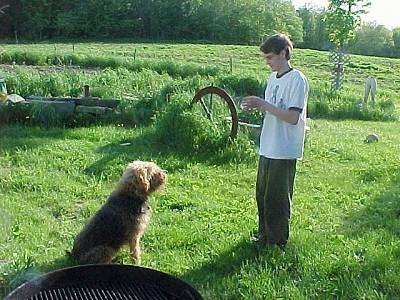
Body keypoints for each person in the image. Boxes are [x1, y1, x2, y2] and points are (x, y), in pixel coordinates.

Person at [241, 33, 308, 249]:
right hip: (268, 146)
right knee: (262, 196)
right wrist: (257, 106)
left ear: (284, 53)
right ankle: (264, 236)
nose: (267, 61)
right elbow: (272, 110)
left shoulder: (297, 79)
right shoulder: (272, 79)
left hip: (285, 148)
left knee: (277, 199)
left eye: (270, 57)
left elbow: (292, 117)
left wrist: (264, 104)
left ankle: (277, 243)